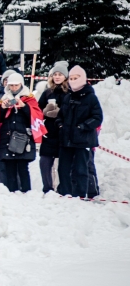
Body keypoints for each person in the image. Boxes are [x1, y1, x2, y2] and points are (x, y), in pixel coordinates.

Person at [56, 66, 103, 198]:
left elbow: (97, 118)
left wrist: (83, 127)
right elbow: (60, 116)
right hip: (66, 140)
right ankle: (65, 193)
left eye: (76, 78)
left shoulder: (91, 97)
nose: (73, 81)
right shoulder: (67, 97)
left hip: (83, 140)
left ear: (82, 78)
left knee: (81, 169)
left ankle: (80, 194)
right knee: (63, 168)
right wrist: (60, 125)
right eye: (71, 78)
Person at [0, 73, 45, 192]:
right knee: (10, 167)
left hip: (24, 137)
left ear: (21, 84)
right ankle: (12, 191)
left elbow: (36, 117)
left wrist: (25, 107)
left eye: (16, 85)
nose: (14, 88)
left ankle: (26, 191)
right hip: (7, 136)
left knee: (23, 167)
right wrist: (2, 109)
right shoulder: (4, 99)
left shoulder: (29, 98)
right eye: (11, 85)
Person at [37, 61, 69, 193]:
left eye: (60, 74)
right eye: (55, 74)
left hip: (63, 131)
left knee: (63, 164)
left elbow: (73, 111)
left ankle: (63, 189)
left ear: (65, 77)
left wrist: (60, 112)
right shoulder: (47, 93)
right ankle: (47, 188)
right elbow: (38, 111)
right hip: (49, 132)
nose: (57, 77)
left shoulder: (70, 93)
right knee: (44, 161)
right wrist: (45, 111)